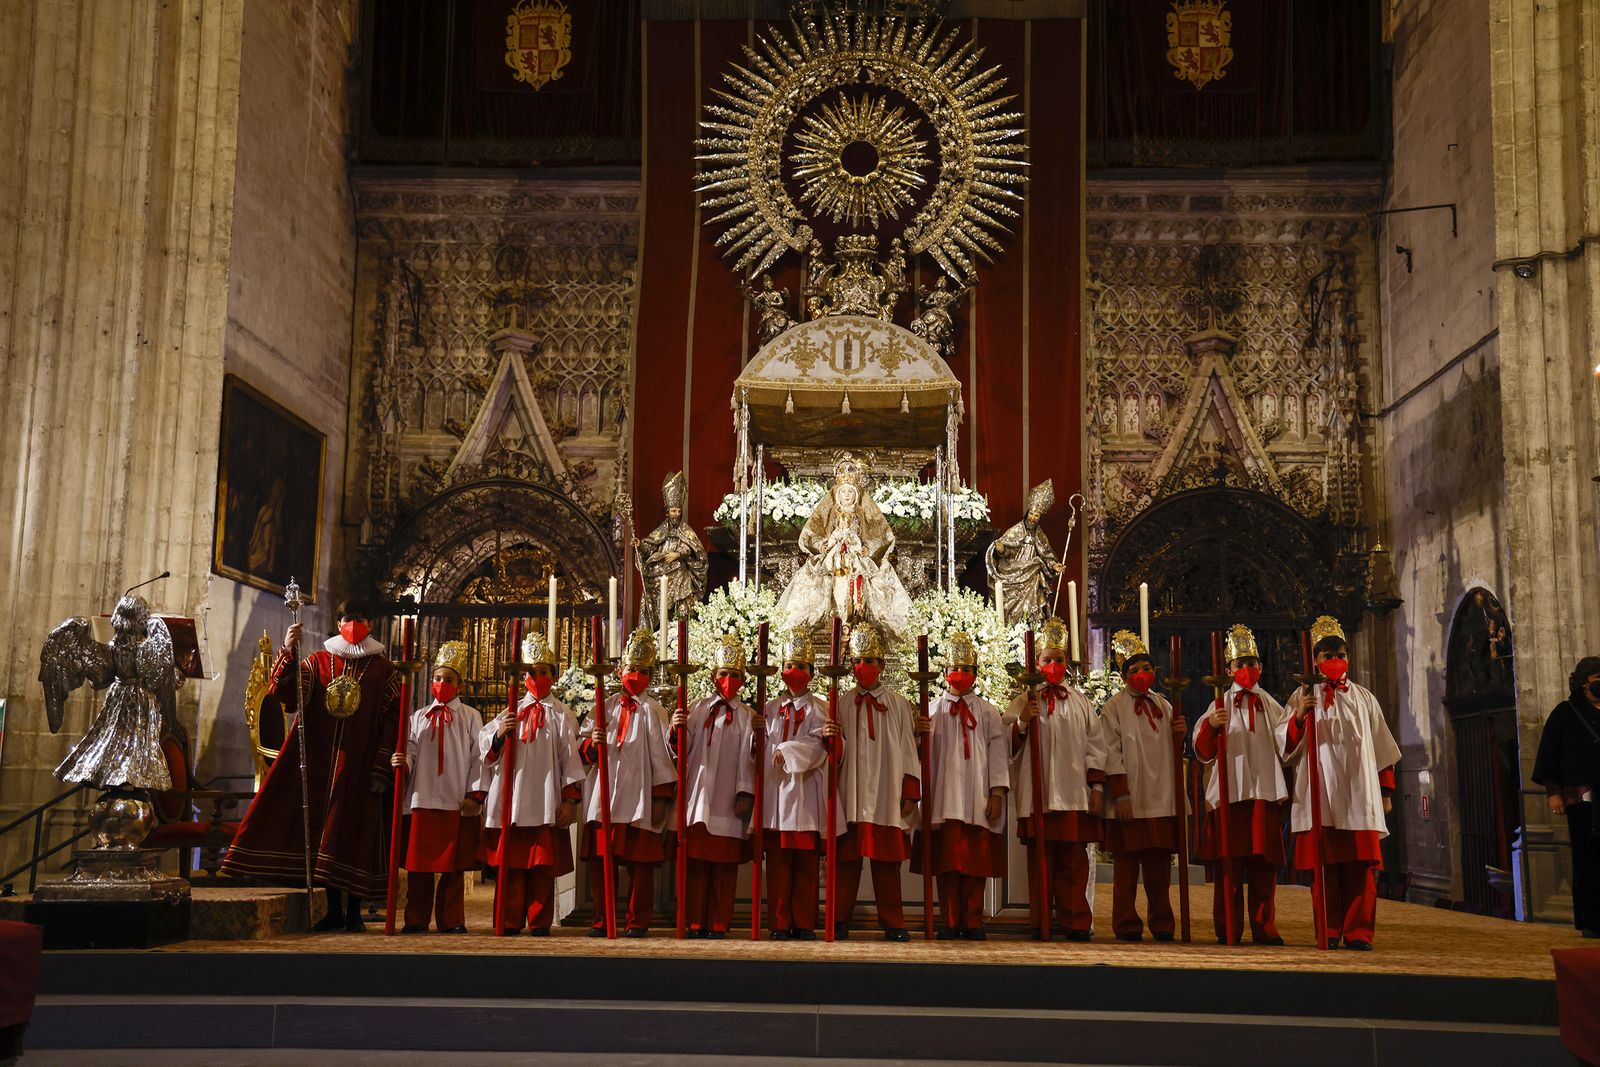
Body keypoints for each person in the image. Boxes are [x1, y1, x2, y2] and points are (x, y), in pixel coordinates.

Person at [223, 599, 400, 933]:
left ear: (371, 624)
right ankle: (333, 909)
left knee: (354, 833)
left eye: (359, 618)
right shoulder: (318, 661)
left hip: (360, 766)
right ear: (338, 621)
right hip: (320, 762)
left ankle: (354, 912)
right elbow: (287, 694)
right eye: (348, 617)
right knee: (325, 834)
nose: (353, 623)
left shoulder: (384, 671)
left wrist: (380, 767)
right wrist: (288, 650)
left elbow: (392, 723)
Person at [1285, 615, 1401, 951]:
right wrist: (1299, 716)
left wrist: (1385, 790)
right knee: (1325, 873)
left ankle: (1359, 932)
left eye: (1340, 654)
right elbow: (1286, 747)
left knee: (1361, 872)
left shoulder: (1365, 698)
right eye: (1327, 655)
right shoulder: (1302, 695)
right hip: (1322, 794)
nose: (1335, 661)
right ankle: (1330, 929)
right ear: (1315, 660)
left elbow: (1382, 746)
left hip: (1360, 795)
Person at [1007, 616, 1107, 941]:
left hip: (1073, 792)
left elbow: (1095, 745)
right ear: (1036, 663)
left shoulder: (1081, 703)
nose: (1053, 665)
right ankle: (1042, 921)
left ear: (1068, 663)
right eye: (1047, 660)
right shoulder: (1025, 700)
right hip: (1039, 793)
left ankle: (1075, 920)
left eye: (1059, 660)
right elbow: (1006, 743)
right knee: (1041, 863)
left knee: (1073, 862)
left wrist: (1096, 786)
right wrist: (1022, 722)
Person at [479, 630, 584, 936]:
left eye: (542, 672)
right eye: (530, 672)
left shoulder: (562, 716)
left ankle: (539, 921)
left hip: (546, 802)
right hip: (511, 804)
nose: (536, 677)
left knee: (542, 867)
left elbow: (571, 761)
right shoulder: (509, 713)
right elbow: (487, 752)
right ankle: (509, 919)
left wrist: (569, 800)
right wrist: (500, 736)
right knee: (511, 867)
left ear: (554, 675)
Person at [1192, 624, 1290, 945]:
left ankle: (1265, 928)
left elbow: (1288, 746)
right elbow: (1202, 752)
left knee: (1264, 870)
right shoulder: (1217, 706)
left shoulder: (1272, 706)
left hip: (1263, 794)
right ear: (1228, 669)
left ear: (1260, 666)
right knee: (1228, 872)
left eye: (1252, 663)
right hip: (1230, 798)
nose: (1246, 669)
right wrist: (1211, 726)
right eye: (1240, 664)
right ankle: (1228, 927)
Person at [579, 627, 676, 937]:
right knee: (601, 864)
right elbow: (583, 754)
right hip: (604, 799)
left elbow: (664, 757)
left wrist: (661, 799)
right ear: (620, 671)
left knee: (641, 867)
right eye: (632, 669)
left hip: (640, 800)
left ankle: (637, 921)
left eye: (644, 671)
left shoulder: (656, 712)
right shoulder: (602, 708)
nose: (636, 675)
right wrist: (592, 745)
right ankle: (602, 918)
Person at [832, 621, 924, 941]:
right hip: (852, 792)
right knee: (846, 862)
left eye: (869, 661)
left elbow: (909, 750)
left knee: (888, 864)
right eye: (856, 661)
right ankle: (838, 918)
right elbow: (837, 749)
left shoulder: (898, 704)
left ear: (881, 665)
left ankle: (893, 921)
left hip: (887, 793)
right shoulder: (842, 703)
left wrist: (909, 790)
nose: (862, 667)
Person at [913, 632, 1007, 940]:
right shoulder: (932, 711)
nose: (961, 675)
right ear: (944, 673)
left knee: (974, 865)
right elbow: (918, 753)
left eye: (967, 670)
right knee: (947, 865)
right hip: (943, 799)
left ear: (976, 675)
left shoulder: (988, 712)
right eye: (956, 669)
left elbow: (997, 752)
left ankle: (973, 920)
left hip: (977, 798)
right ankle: (949, 919)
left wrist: (996, 792)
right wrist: (918, 734)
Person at [390, 641, 484, 933]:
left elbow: (478, 757)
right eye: (439, 678)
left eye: (450, 679)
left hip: (455, 800)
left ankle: (451, 918)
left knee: (453, 868)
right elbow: (411, 747)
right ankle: (416, 918)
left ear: (461, 684)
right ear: (431, 681)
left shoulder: (470, 717)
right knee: (419, 867)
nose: (443, 684)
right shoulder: (418, 716)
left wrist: (474, 795)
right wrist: (402, 762)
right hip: (422, 797)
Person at [1101, 631, 1186, 943]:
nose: (1142, 675)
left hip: (1161, 796)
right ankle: (1126, 923)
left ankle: (1162, 922)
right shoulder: (1114, 708)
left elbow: (1171, 751)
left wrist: (1180, 733)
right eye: (1135, 670)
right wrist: (1121, 794)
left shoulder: (1163, 704)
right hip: (1132, 798)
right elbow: (1111, 751)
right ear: (1125, 676)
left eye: (1147, 668)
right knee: (1126, 868)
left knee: (1159, 868)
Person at [671, 634, 757, 938]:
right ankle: (695, 919)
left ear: (744, 679)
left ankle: (720, 921)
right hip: (701, 798)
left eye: (734, 675)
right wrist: (676, 730)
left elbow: (751, 757)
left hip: (729, 801)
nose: (728, 680)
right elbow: (682, 749)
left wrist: (746, 792)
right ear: (712, 676)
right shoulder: (698, 709)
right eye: (723, 674)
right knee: (696, 865)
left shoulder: (747, 716)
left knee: (724, 867)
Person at [776, 452, 913, 636]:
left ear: (856, 495)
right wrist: (822, 545)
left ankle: (860, 623)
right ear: (837, 494)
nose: (847, 495)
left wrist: (868, 548)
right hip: (833, 558)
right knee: (815, 581)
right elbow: (813, 533)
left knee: (875, 580)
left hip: (858, 558)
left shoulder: (863, 513)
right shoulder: (829, 513)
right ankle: (831, 624)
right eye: (843, 491)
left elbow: (880, 535)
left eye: (850, 491)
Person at [760, 629, 830, 940]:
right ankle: (778, 921)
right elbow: (757, 747)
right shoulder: (771, 708)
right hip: (776, 793)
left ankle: (803, 922)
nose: (794, 672)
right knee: (777, 865)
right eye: (789, 665)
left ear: (812, 673)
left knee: (805, 866)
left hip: (805, 795)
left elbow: (818, 748)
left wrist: (785, 750)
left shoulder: (819, 708)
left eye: (801, 667)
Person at [1532, 655, 1600, 937]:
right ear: (1583, 684)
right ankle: (1591, 920)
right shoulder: (1566, 712)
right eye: (1597, 681)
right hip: (1580, 800)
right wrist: (1553, 793)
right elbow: (1549, 753)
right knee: (1587, 859)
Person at [635, 471, 708, 634]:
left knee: (682, 607)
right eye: (673, 511)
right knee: (658, 606)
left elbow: (697, 551)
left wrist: (679, 554)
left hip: (681, 575)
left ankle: (680, 638)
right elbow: (649, 547)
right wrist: (640, 544)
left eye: (678, 511)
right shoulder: (660, 531)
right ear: (667, 512)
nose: (676, 514)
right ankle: (659, 636)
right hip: (661, 575)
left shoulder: (686, 531)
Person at [985, 480, 1064, 629]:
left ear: (1040, 518)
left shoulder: (1040, 536)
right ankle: (1012, 630)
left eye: (1037, 516)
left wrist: (1054, 565)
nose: (1033, 518)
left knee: (1036, 567)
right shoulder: (1015, 531)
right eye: (1032, 514)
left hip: (1031, 575)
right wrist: (1001, 549)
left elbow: (1046, 555)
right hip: (1013, 571)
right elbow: (1006, 551)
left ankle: (1033, 629)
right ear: (1028, 513)